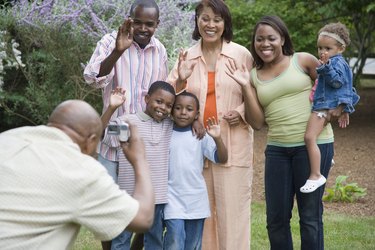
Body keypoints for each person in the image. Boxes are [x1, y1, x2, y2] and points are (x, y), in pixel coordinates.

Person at [226, 15, 336, 249]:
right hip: (277, 150)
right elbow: (257, 122)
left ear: (282, 39)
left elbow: (333, 86)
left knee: (309, 217)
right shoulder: (254, 75)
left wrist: (332, 113)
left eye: (271, 38)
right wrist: (245, 85)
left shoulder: (303, 60)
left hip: (313, 146)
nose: (265, 44)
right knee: (275, 220)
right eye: (259, 39)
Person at [0, 100, 154, 250]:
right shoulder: (81, 171)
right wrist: (140, 159)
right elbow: (143, 219)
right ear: (92, 140)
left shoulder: (8, 138)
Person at [167, 1, 254, 249]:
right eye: (205, 18)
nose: (210, 25)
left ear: (225, 23)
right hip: (194, 149)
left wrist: (241, 111)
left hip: (233, 146)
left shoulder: (241, 55)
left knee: (233, 216)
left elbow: (257, 96)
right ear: (197, 21)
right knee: (202, 219)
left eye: (217, 19)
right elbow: (168, 100)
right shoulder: (187, 56)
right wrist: (180, 80)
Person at [83, 0, 168, 184]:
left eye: (149, 24)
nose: (143, 28)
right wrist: (118, 51)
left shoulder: (160, 50)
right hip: (113, 142)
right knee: (109, 204)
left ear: (157, 24)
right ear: (129, 20)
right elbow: (92, 79)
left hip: (144, 143)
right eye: (138, 22)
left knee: (139, 204)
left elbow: (161, 95)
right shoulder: (109, 41)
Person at [101, 81, 175, 250]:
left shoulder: (170, 125)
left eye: (169, 105)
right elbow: (100, 133)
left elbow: (188, 115)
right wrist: (111, 108)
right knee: (121, 241)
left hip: (158, 198)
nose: (163, 108)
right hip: (128, 195)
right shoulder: (129, 123)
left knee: (154, 241)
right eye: (159, 101)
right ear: (147, 99)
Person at [163, 91, 228, 250]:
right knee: (174, 240)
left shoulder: (200, 136)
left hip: (196, 200)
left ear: (197, 114)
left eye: (189, 109)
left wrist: (218, 138)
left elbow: (222, 158)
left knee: (193, 245)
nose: (183, 112)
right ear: (172, 110)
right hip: (171, 198)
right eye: (178, 108)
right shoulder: (165, 132)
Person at [300, 22, 360, 193]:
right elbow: (346, 86)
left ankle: (316, 174)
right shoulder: (337, 61)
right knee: (315, 136)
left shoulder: (334, 64)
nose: (322, 52)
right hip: (325, 105)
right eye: (319, 47)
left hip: (324, 108)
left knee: (309, 137)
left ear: (340, 48)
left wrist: (325, 68)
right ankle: (327, 158)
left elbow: (338, 82)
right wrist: (345, 108)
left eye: (327, 48)